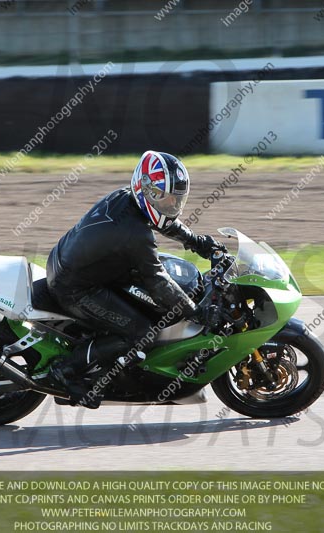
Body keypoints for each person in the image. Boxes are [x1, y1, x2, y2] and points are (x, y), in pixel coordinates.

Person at [46, 150, 226, 408]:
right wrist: (195, 311)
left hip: (73, 264)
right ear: (147, 190)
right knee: (142, 332)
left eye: (175, 201)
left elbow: (164, 222)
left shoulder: (126, 199)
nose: (172, 207)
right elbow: (157, 282)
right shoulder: (135, 234)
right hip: (75, 288)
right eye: (166, 201)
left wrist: (198, 242)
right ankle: (65, 371)